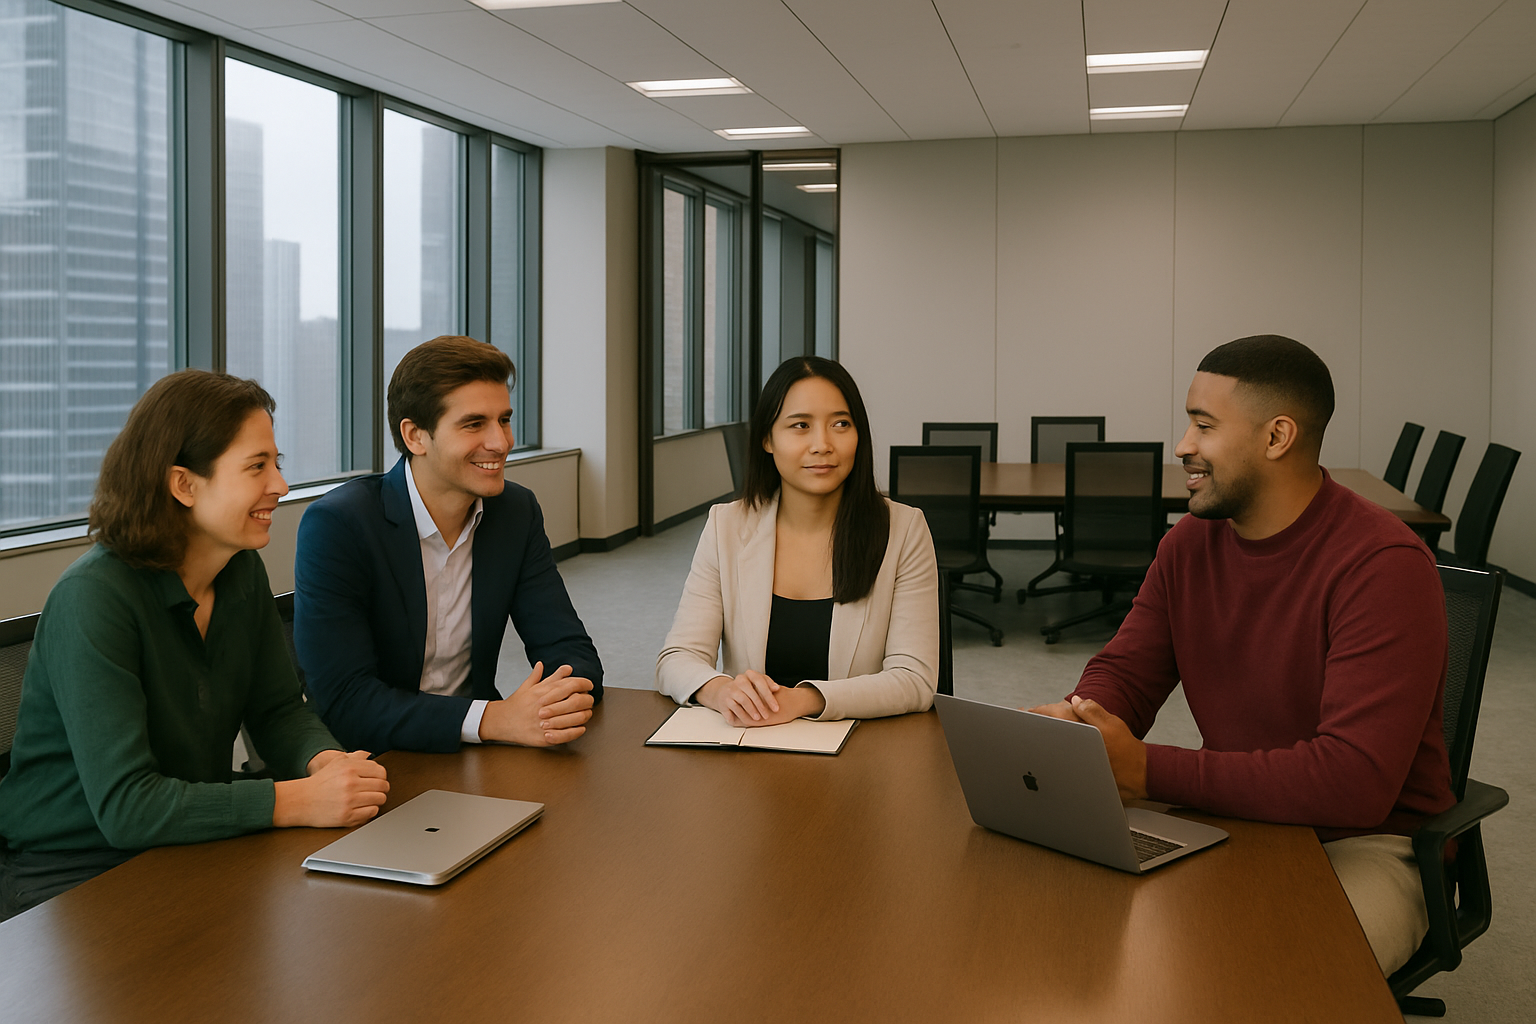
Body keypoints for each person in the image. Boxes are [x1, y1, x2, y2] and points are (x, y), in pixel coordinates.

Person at [1029, 335, 1453, 974]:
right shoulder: (1190, 543)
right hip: (1240, 812)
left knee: (1260, 973)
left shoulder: (1382, 565)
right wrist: (1078, 722)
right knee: (1064, 904)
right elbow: (1128, 672)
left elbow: (1353, 783)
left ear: (1277, 437)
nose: (1182, 446)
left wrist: (1144, 770)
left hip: (1369, 841)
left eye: (1203, 425)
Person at [0, 371, 388, 921]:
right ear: (184, 485)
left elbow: (277, 710)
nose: (279, 484)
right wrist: (297, 799)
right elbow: (128, 808)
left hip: (185, 838)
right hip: (69, 871)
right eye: (257, 466)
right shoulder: (94, 598)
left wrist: (326, 766)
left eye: (278, 462)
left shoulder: (240, 570)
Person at [294, 335, 601, 754]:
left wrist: (558, 699)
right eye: (474, 424)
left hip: (476, 751)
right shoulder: (340, 525)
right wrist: (494, 718)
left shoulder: (515, 511)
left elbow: (569, 648)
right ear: (415, 436)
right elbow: (346, 702)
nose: (501, 442)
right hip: (372, 763)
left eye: (504, 420)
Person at [657, 356, 938, 724]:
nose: (822, 444)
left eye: (840, 423)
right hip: (752, 746)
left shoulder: (903, 529)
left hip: (860, 752)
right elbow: (676, 659)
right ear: (767, 439)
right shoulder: (726, 526)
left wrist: (805, 700)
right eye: (800, 425)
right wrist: (720, 689)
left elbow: (914, 680)